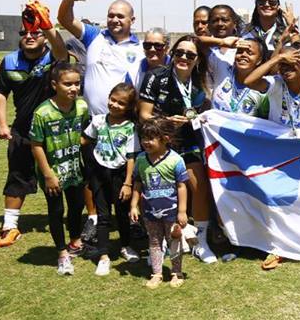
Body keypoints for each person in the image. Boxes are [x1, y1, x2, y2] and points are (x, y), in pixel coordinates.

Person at [0, 0, 69, 248]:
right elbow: (1, 93)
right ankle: (9, 225)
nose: (29, 36)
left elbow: (61, 49)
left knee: (66, 177)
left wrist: (45, 22)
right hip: (23, 131)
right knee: (17, 176)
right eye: (25, 32)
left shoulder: (53, 58)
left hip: (56, 133)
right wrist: (2, 125)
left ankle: (78, 224)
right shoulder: (9, 61)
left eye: (35, 33)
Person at [138, 34, 216, 264]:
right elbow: (143, 114)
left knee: (198, 185)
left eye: (190, 55)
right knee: (158, 192)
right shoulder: (155, 77)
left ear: (197, 60)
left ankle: (201, 241)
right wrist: (165, 122)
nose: (183, 57)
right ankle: (159, 240)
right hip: (160, 142)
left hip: (189, 141)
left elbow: (205, 111)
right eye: (179, 53)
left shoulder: (202, 82)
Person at [29, 63, 90, 275]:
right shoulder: (43, 113)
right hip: (52, 172)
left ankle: (75, 242)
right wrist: (48, 174)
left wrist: (78, 143)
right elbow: (36, 145)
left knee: (77, 206)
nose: (73, 88)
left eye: (77, 83)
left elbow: (86, 132)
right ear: (55, 84)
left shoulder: (82, 107)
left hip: (74, 169)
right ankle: (62, 252)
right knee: (56, 210)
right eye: (68, 84)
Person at [56, 0, 144, 115]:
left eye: (120, 16)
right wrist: (68, 1)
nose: (115, 19)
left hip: (125, 124)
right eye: (111, 15)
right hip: (92, 122)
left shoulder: (142, 48)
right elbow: (65, 20)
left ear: (132, 20)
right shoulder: (94, 36)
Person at [82, 82, 139, 273]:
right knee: (103, 215)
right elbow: (85, 139)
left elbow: (131, 156)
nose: (115, 105)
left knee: (122, 214)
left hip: (121, 175)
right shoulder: (98, 120)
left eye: (121, 103)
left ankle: (126, 245)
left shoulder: (130, 127)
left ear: (129, 107)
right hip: (99, 174)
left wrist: (128, 182)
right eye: (112, 100)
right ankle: (104, 255)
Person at [129, 117, 189, 289]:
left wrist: (182, 211)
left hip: (172, 212)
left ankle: (176, 273)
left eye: (151, 138)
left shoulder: (175, 160)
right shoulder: (140, 160)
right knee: (154, 241)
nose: (145, 142)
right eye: (143, 138)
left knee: (174, 241)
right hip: (150, 212)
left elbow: (181, 186)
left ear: (165, 139)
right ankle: (156, 273)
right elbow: (138, 184)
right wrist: (134, 205)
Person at [210, 37, 269, 116]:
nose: (243, 55)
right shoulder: (222, 68)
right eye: (240, 51)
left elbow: (265, 122)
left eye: (249, 53)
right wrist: (222, 42)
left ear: (259, 60)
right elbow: (198, 42)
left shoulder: (262, 87)